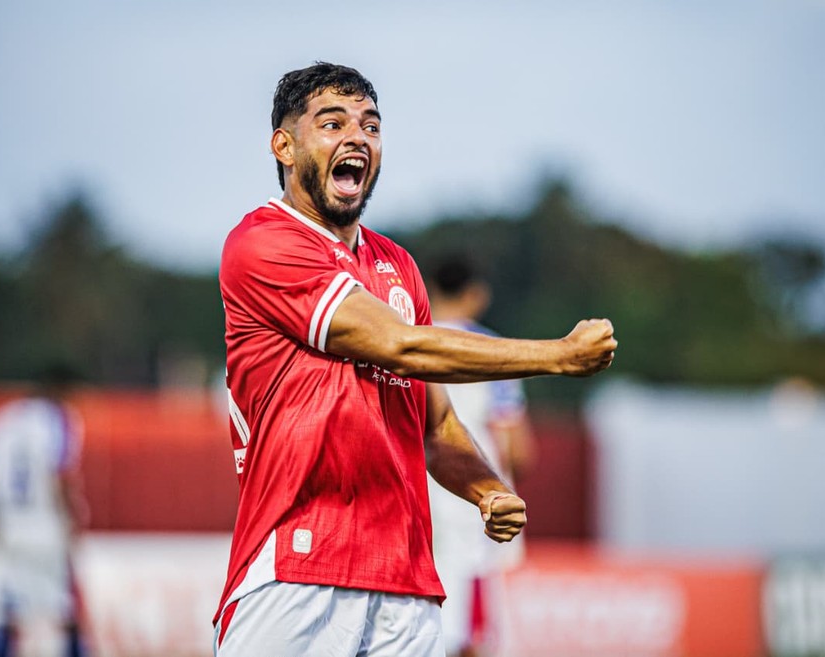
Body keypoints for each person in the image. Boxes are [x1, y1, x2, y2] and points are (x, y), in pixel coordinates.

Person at [215, 61, 617, 656]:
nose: (357, 138)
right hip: (297, 568)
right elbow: (401, 346)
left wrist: (486, 489)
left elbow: (437, 425)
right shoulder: (263, 243)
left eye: (370, 126)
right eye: (332, 123)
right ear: (284, 144)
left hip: (406, 583)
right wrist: (557, 356)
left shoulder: (398, 267)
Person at [425, 256, 536, 657]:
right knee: (470, 631)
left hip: (411, 501)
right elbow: (517, 447)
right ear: (475, 294)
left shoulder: (403, 341)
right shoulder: (493, 351)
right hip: (472, 502)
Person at [0, 365, 89, 657]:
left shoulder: (3, 419)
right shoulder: (58, 419)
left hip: (9, 525)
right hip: (46, 526)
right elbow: (59, 473)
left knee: (9, 610)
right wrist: (73, 518)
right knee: (68, 610)